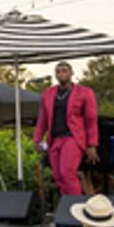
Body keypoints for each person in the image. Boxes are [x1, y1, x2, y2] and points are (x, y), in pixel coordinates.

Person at [33, 60, 100, 197]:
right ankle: (67, 204)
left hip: (72, 138)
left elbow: (91, 120)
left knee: (67, 172)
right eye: (58, 71)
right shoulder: (48, 94)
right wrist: (37, 139)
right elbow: (42, 119)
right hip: (55, 139)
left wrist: (92, 144)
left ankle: (75, 203)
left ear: (71, 73)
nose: (61, 74)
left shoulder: (84, 93)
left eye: (64, 71)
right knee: (58, 176)